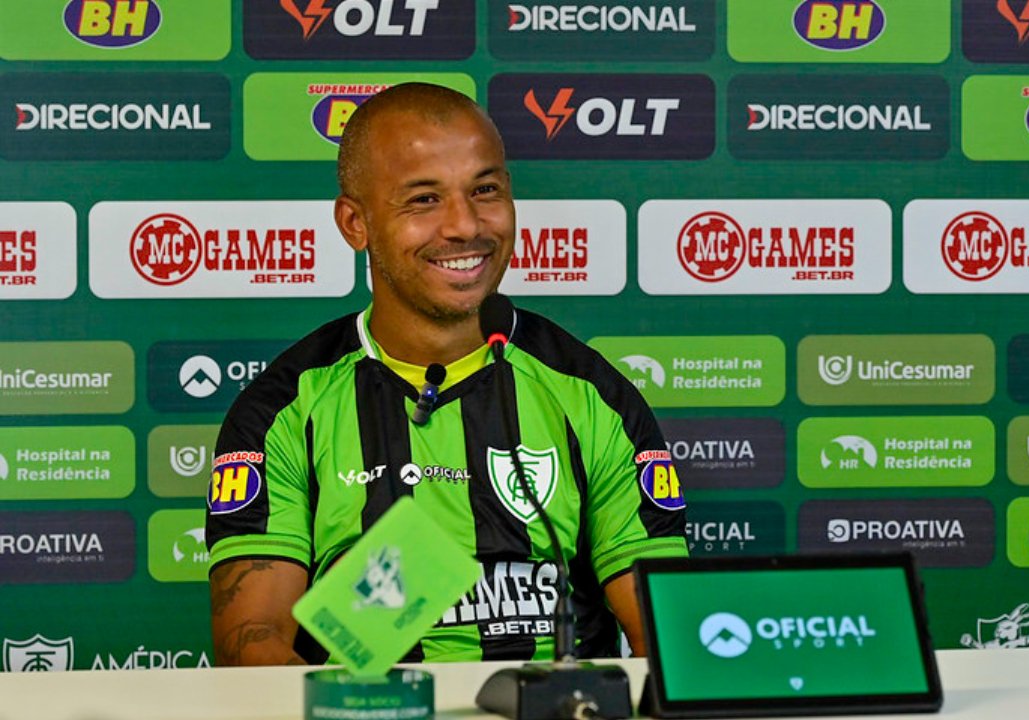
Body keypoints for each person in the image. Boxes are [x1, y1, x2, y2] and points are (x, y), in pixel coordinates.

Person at [205, 82, 688, 666]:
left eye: (485, 190)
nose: (464, 225)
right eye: (424, 199)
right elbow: (251, 646)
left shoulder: (589, 393)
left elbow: (669, 637)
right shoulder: (285, 408)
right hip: (368, 707)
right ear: (355, 223)